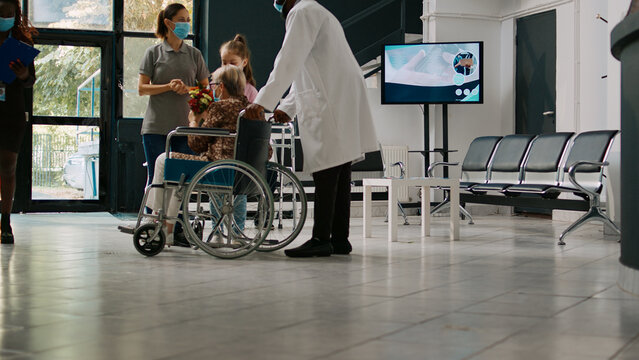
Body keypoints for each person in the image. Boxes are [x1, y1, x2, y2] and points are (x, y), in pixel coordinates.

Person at [244, 0, 378, 258]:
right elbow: (305, 68)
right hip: (338, 94)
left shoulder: (302, 11)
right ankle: (339, 238)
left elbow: (288, 61)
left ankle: (321, 239)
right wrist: (287, 108)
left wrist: (262, 102)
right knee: (339, 168)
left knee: (327, 168)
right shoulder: (316, 11)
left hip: (331, 97)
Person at [146, 65, 251, 243]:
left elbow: (197, 144)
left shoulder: (220, 107)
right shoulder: (252, 110)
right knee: (178, 176)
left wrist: (194, 121)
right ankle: (168, 228)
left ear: (222, 86)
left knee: (163, 159)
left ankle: (156, 216)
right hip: (244, 171)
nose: (213, 89)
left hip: (215, 169)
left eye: (214, 85)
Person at [138, 3, 209, 191]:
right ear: (168, 23)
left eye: (188, 20)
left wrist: (187, 88)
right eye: (181, 20)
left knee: (180, 181)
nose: (186, 24)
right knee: (156, 178)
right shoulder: (153, 53)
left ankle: (175, 221)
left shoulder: (195, 54)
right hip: (155, 127)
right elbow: (142, 88)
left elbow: (206, 91)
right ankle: (153, 219)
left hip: (184, 128)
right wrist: (168, 86)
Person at [0, 0, 38, 244]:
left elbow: (30, 80)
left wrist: (23, 74)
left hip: (11, 111)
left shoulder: (22, 42)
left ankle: (5, 220)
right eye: (2, 12)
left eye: (9, 13)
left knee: (8, 166)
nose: (6, 16)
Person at [220, 34, 258, 102]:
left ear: (244, 62)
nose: (228, 67)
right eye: (224, 63)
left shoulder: (251, 91)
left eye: (233, 63)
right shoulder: (215, 87)